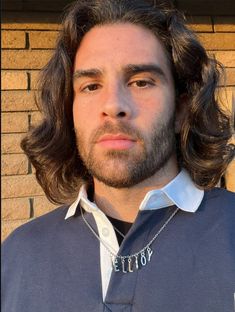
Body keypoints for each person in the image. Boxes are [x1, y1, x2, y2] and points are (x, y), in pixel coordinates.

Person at [2, 0, 235, 311]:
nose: (113, 105)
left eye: (140, 82)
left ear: (181, 109)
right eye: (90, 86)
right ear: (68, 109)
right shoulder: (18, 253)